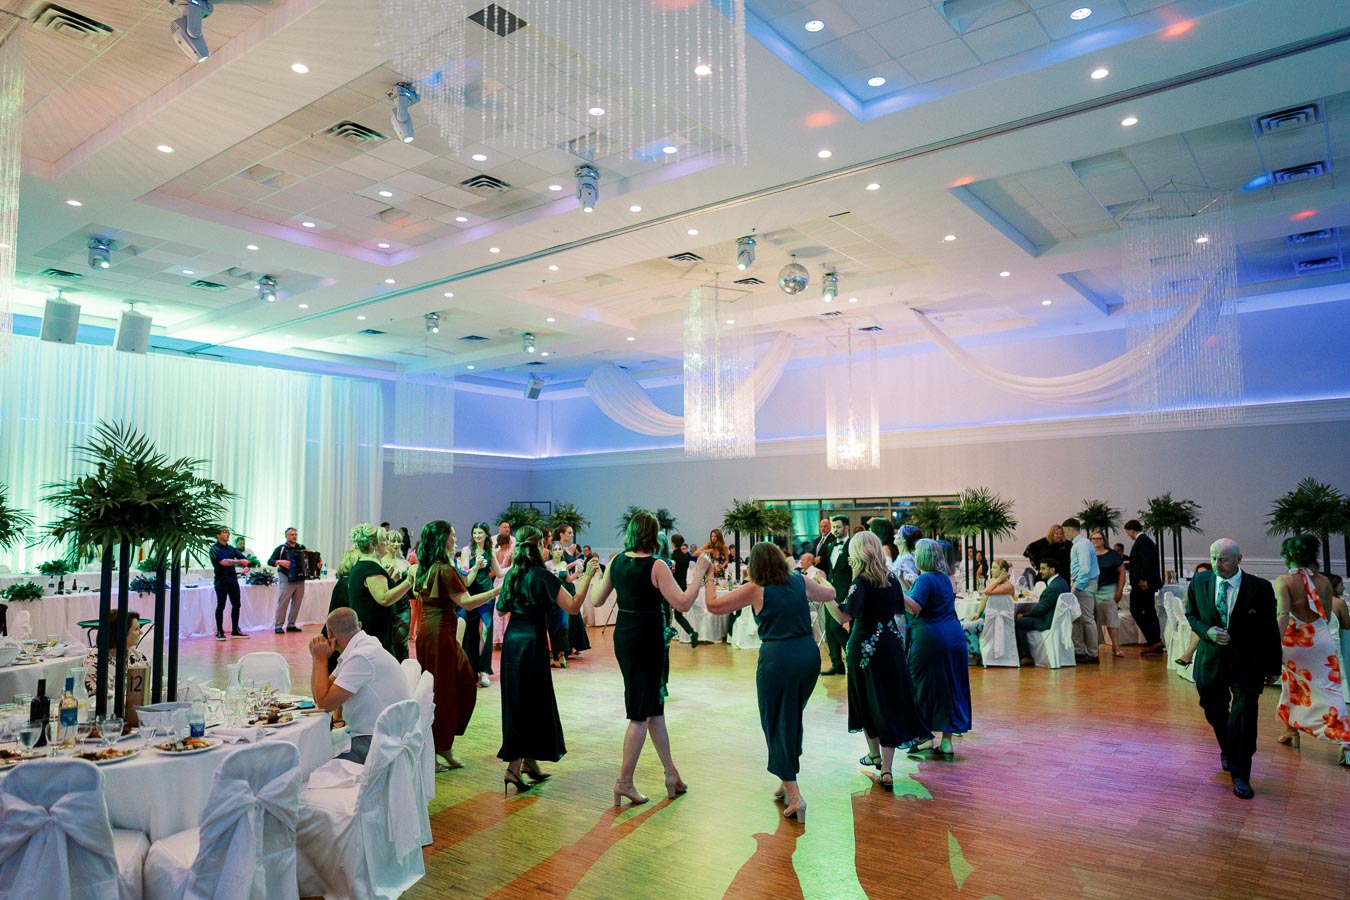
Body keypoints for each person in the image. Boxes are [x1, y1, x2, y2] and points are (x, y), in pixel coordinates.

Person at [585, 511, 712, 805]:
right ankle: (623, 782)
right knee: (641, 712)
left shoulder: (616, 561)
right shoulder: (656, 565)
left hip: (626, 636)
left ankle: (671, 774)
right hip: (647, 639)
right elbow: (682, 601)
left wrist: (598, 575)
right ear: (654, 535)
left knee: (654, 708)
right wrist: (701, 572)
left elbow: (596, 601)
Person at [707, 542, 837, 823]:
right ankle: (785, 777)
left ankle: (796, 796)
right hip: (808, 657)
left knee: (776, 721)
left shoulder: (756, 588)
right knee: (791, 716)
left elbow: (713, 606)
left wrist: (707, 578)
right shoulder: (799, 581)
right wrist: (820, 577)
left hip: (778, 659)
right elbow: (831, 594)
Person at [819, 531, 927, 789]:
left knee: (866, 700)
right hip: (890, 646)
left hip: (864, 648)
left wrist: (826, 595)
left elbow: (843, 617)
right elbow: (900, 611)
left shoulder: (861, 582)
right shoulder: (891, 579)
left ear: (857, 553)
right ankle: (886, 769)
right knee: (888, 702)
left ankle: (874, 753)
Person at [496, 525, 595, 794]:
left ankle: (530, 763)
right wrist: (587, 576)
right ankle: (513, 769)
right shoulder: (542, 576)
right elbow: (573, 606)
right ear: (539, 545)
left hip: (513, 641)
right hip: (532, 642)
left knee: (518, 700)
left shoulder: (514, 575)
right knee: (530, 702)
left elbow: (501, 608)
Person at [1185, 538, 1282, 799]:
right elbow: (1191, 615)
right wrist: (1207, 632)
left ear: (1239, 559)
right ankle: (1229, 746)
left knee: (1244, 716)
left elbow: (1269, 629)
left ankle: (1241, 775)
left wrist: (1274, 665)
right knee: (1212, 708)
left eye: (1224, 559)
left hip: (1247, 662)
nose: (1218, 564)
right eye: (1214, 558)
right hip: (1210, 661)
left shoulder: (1259, 588)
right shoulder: (1200, 582)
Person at [409, 520, 499, 770]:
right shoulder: (442, 569)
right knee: (444, 692)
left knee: (454, 685)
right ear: (443, 540)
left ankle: (443, 747)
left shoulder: (426, 568)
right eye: (452, 534)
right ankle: (435, 751)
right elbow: (467, 602)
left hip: (433, 632)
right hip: (440, 634)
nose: (456, 538)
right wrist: (495, 591)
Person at [1273, 535, 1350, 763]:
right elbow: (1325, 614)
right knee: (1331, 689)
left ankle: (1292, 731)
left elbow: (1283, 614)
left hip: (1294, 641)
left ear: (1289, 556)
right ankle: (1345, 742)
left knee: (1291, 683)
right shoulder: (1325, 582)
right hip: (1320, 639)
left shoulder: (1283, 581)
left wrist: (1275, 644)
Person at [309, 607, 409, 764]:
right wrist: (317, 659)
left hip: (379, 742)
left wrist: (320, 660)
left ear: (330, 634)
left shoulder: (360, 657)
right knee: (315, 746)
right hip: (388, 733)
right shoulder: (364, 646)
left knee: (313, 758)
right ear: (359, 625)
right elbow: (320, 694)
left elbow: (324, 704)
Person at [905, 539, 973, 760]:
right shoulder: (945, 578)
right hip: (953, 636)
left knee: (921, 686)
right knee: (950, 688)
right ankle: (946, 742)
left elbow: (915, 606)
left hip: (931, 639)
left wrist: (898, 591)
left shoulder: (924, 579)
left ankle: (923, 737)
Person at [346, 523, 415, 656]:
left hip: (367, 625)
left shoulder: (361, 565)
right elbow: (384, 598)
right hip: (375, 629)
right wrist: (409, 581)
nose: (387, 543)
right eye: (384, 540)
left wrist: (390, 580)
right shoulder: (371, 568)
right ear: (373, 545)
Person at [460, 522, 502, 687]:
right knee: (470, 632)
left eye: (480, 533)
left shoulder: (490, 552)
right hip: (470, 595)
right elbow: (464, 574)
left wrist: (516, 566)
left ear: (486, 535)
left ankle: (484, 670)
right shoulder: (466, 551)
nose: (477, 535)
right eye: (475, 532)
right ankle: (471, 669)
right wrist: (475, 567)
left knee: (485, 629)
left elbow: (499, 572)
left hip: (486, 595)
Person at [83, 609, 147, 698]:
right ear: (121, 633)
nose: (141, 632)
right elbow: (98, 699)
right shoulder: (94, 663)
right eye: (136, 629)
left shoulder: (137, 655)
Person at [1016, 559, 1069, 665]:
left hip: (1047, 620)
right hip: (1056, 619)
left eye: (1043, 569)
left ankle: (1026, 656)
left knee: (1017, 623)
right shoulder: (1062, 582)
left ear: (1052, 570)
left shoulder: (1052, 588)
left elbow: (1040, 610)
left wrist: (1024, 615)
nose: (1040, 571)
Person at [1123, 519, 1165, 654]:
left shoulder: (1142, 541)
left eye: (1127, 532)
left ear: (1131, 530)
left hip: (1143, 585)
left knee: (1137, 610)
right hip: (1145, 583)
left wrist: (1143, 579)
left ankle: (1153, 640)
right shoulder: (1145, 541)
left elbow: (1148, 561)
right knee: (1149, 611)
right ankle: (1155, 641)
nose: (1128, 535)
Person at [1062, 518, 1100, 665]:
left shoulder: (1082, 545)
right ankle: (1079, 651)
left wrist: (1077, 586)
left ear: (1071, 530)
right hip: (1081, 583)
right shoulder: (1079, 544)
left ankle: (1093, 653)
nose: (1065, 535)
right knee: (1076, 618)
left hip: (1083, 584)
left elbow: (1084, 568)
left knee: (1087, 618)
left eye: (1065, 531)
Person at [818, 515, 852, 676]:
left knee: (835, 625)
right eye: (834, 527)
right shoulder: (831, 546)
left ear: (846, 528)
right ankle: (837, 664)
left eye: (838, 527)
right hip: (830, 590)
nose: (835, 530)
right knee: (828, 629)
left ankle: (852, 654)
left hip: (845, 591)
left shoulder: (852, 546)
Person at [963, 559, 1015, 663]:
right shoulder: (992, 582)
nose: (991, 570)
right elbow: (985, 598)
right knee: (962, 621)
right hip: (987, 616)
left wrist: (997, 580)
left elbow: (987, 592)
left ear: (1003, 571)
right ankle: (975, 652)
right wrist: (978, 613)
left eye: (994, 568)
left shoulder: (1008, 586)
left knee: (966, 626)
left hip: (994, 620)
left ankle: (974, 655)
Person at [556, 525, 592, 658]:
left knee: (574, 615)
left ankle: (572, 645)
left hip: (569, 583)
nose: (572, 535)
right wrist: (574, 562)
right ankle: (566, 647)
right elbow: (559, 567)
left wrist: (578, 570)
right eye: (569, 533)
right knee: (568, 615)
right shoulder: (558, 548)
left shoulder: (568, 549)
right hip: (563, 585)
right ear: (561, 534)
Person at [210, 527, 249, 641]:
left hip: (233, 580)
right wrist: (239, 562)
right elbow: (223, 562)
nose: (227, 534)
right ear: (218, 535)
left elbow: (244, 559)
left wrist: (246, 566)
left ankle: (235, 630)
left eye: (228, 532)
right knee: (221, 606)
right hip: (221, 581)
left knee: (237, 604)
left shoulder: (231, 548)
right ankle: (219, 631)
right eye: (225, 532)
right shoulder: (214, 549)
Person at [1090, 531, 1125, 658]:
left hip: (1109, 588)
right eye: (1093, 539)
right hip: (1093, 589)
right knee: (1093, 619)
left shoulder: (1112, 554)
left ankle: (1116, 646)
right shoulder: (1088, 554)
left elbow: (1122, 572)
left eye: (1099, 538)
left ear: (1104, 540)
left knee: (1112, 617)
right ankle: (1096, 646)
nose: (1096, 541)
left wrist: (1120, 589)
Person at [268, 527, 308, 635]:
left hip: (300, 579)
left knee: (297, 603)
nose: (294, 536)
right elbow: (270, 561)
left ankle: (291, 625)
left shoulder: (301, 547)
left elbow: (307, 559)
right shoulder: (281, 548)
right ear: (286, 536)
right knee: (283, 602)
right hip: (286, 577)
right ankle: (278, 626)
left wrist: (317, 562)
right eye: (291, 534)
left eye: (295, 534)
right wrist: (280, 562)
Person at [668, 533, 699, 646]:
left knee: (667, 611)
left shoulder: (672, 558)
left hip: (672, 587)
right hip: (682, 586)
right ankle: (691, 632)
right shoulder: (686, 557)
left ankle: (666, 634)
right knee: (678, 614)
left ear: (672, 543)